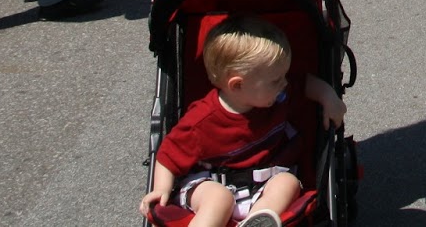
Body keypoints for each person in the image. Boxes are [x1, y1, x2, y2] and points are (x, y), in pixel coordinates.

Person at [141, 15, 345, 227]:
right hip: (209, 182)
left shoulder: (277, 94)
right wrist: (161, 189)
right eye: (276, 80)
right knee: (219, 199)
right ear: (237, 85)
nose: (284, 83)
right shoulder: (201, 121)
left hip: (262, 183)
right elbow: (167, 156)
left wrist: (329, 97)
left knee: (288, 182)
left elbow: (304, 83)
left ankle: (256, 220)